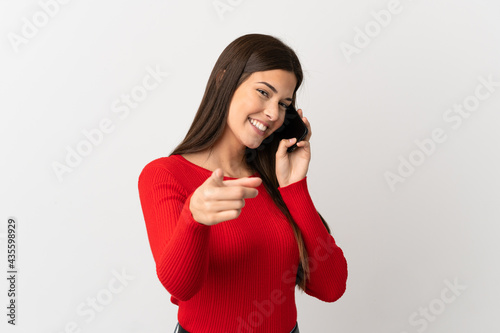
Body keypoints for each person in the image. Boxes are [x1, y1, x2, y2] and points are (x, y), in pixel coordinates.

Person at [138, 33, 348, 333]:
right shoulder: (164, 175)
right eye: (264, 92)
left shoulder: (274, 180)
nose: (274, 113)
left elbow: (331, 287)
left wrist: (295, 187)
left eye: (284, 103)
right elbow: (180, 286)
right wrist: (194, 219)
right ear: (224, 80)